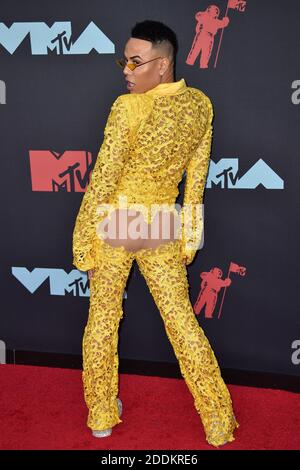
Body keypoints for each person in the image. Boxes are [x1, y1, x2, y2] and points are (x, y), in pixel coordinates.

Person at [72, 19, 239, 447]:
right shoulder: (201, 106)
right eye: (123, 62)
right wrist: (189, 237)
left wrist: (82, 241)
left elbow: (104, 179)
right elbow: (196, 184)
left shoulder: (126, 108)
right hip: (162, 223)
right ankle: (218, 421)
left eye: (135, 61)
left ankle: (102, 416)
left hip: (116, 220)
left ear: (162, 64)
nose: (126, 71)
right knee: (182, 322)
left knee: (103, 321)